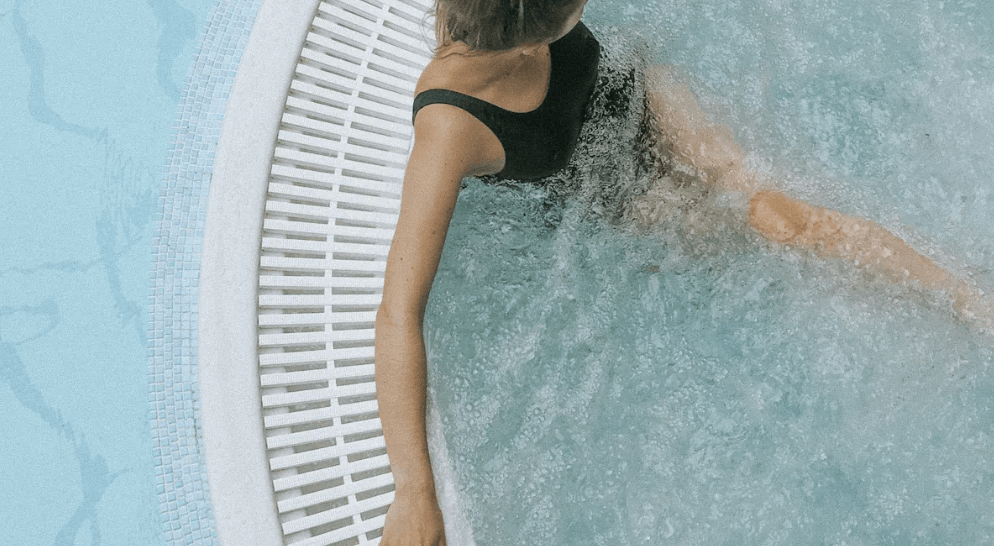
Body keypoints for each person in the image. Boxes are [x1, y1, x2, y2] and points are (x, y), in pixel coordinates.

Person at [374, 1, 993, 544]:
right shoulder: (450, 126)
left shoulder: (509, 14)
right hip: (618, 191)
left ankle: (962, 294)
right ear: (530, 33)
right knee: (719, 245)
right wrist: (413, 490)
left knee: (778, 217)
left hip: (649, 95)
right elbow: (399, 312)